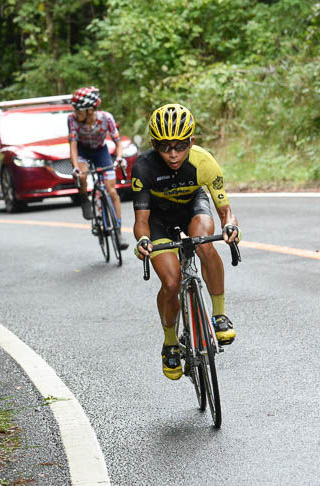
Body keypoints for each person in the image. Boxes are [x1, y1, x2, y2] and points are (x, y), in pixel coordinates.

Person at [132, 104, 241, 380]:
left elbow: (224, 208)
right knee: (171, 282)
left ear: (190, 142)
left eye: (180, 145)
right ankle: (170, 342)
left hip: (193, 206)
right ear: (154, 144)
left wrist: (230, 225)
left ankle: (219, 315)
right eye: (165, 146)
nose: (173, 154)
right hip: (158, 219)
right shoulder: (143, 167)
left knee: (205, 243)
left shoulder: (204, 162)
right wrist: (143, 240)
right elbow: (141, 219)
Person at [67, 86, 129, 250]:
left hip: (100, 152)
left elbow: (117, 142)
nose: (75, 112)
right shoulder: (72, 119)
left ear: (90, 110)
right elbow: (72, 146)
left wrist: (120, 158)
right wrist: (75, 167)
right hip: (82, 151)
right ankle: (84, 198)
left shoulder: (106, 118)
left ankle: (118, 229)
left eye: (78, 110)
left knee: (112, 191)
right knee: (81, 176)